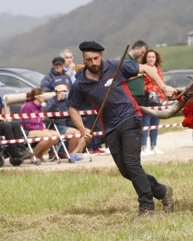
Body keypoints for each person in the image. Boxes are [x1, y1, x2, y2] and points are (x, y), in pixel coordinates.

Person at [68, 41, 177, 216]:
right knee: (126, 171)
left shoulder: (115, 66)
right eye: (89, 60)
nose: (94, 62)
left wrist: (163, 88)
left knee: (132, 163)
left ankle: (146, 206)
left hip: (130, 118)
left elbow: (148, 69)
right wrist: (82, 129)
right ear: (84, 59)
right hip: (109, 127)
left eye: (96, 58)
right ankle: (162, 191)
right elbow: (72, 107)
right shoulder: (81, 82)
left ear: (101, 56)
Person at [45, 83, 84, 162]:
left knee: (81, 132)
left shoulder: (69, 100)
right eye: (61, 91)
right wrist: (57, 101)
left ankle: (70, 153)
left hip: (69, 123)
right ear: (56, 92)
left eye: (65, 91)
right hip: (57, 124)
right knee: (75, 133)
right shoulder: (52, 100)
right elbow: (48, 112)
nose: (63, 93)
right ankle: (70, 154)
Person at [19, 88, 58, 164]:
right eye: (42, 95)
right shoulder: (28, 106)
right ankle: (33, 155)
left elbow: (40, 121)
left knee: (55, 136)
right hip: (28, 130)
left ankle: (40, 154)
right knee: (48, 136)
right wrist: (41, 129)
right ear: (37, 97)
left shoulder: (39, 107)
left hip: (38, 129)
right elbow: (26, 123)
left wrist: (42, 129)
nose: (44, 97)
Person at [140, 49, 166, 155]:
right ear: (145, 58)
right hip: (147, 99)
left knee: (155, 123)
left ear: (156, 58)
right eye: (149, 57)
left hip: (158, 99)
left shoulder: (159, 69)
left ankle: (154, 145)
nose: (151, 59)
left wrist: (164, 97)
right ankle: (143, 147)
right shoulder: (142, 69)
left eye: (153, 57)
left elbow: (162, 83)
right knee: (146, 123)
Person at [124, 40, 149, 106]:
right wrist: (141, 74)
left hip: (139, 96)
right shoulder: (126, 60)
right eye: (142, 52)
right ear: (136, 48)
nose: (142, 55)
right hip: (132, 95)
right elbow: (124, 77)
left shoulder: (136, 61)